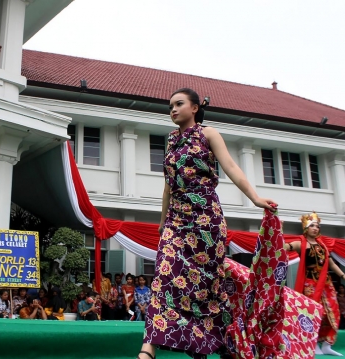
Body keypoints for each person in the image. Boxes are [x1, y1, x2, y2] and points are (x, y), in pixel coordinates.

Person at [138, 88, 277, 359]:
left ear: (195, 107)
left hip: (206, 221)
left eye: (179, 104)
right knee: (164, 278)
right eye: (170, 107)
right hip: (176, 222)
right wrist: (162, 220)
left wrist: (256, 198)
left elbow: (232, 167)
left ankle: (222, 346)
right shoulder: (170, 141)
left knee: (207, 290)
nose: (173, 110)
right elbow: (168, 185)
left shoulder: (208, 133)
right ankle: (148, 349)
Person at [288, 212, 343, 356]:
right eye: (312, 225)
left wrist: (343, 275)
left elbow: (330, 263)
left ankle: (326, 344)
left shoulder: (322, 245)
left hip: (326, 284)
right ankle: (313, 343)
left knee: (334, 312)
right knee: (315, 313)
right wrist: (276, 234)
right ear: (306, 228)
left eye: (317, 226)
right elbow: (285, 247)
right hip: (310, 284)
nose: (315, 228)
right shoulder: (301, 243)